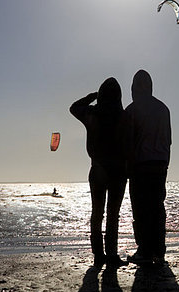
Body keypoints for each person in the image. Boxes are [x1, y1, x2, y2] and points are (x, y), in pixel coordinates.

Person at [70, 78, 127, 270]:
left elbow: (74, 107)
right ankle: (111, 254)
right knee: (113, 214)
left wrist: (92, 96)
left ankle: (98, 254)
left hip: (98, 169)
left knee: (97, 213)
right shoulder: (123, 116)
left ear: (101, 95)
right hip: (119, 170)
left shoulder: (92, 113)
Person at [125, 70, 171, 265]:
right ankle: (159, 251)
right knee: (157, 208)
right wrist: (165, 163)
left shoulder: (132, 110)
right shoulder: (163, 109)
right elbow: (168, 141)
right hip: (159, 164)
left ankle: (144, 250)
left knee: (141, 209)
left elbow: (127, 141)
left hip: (140, 165)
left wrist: (127, 166)